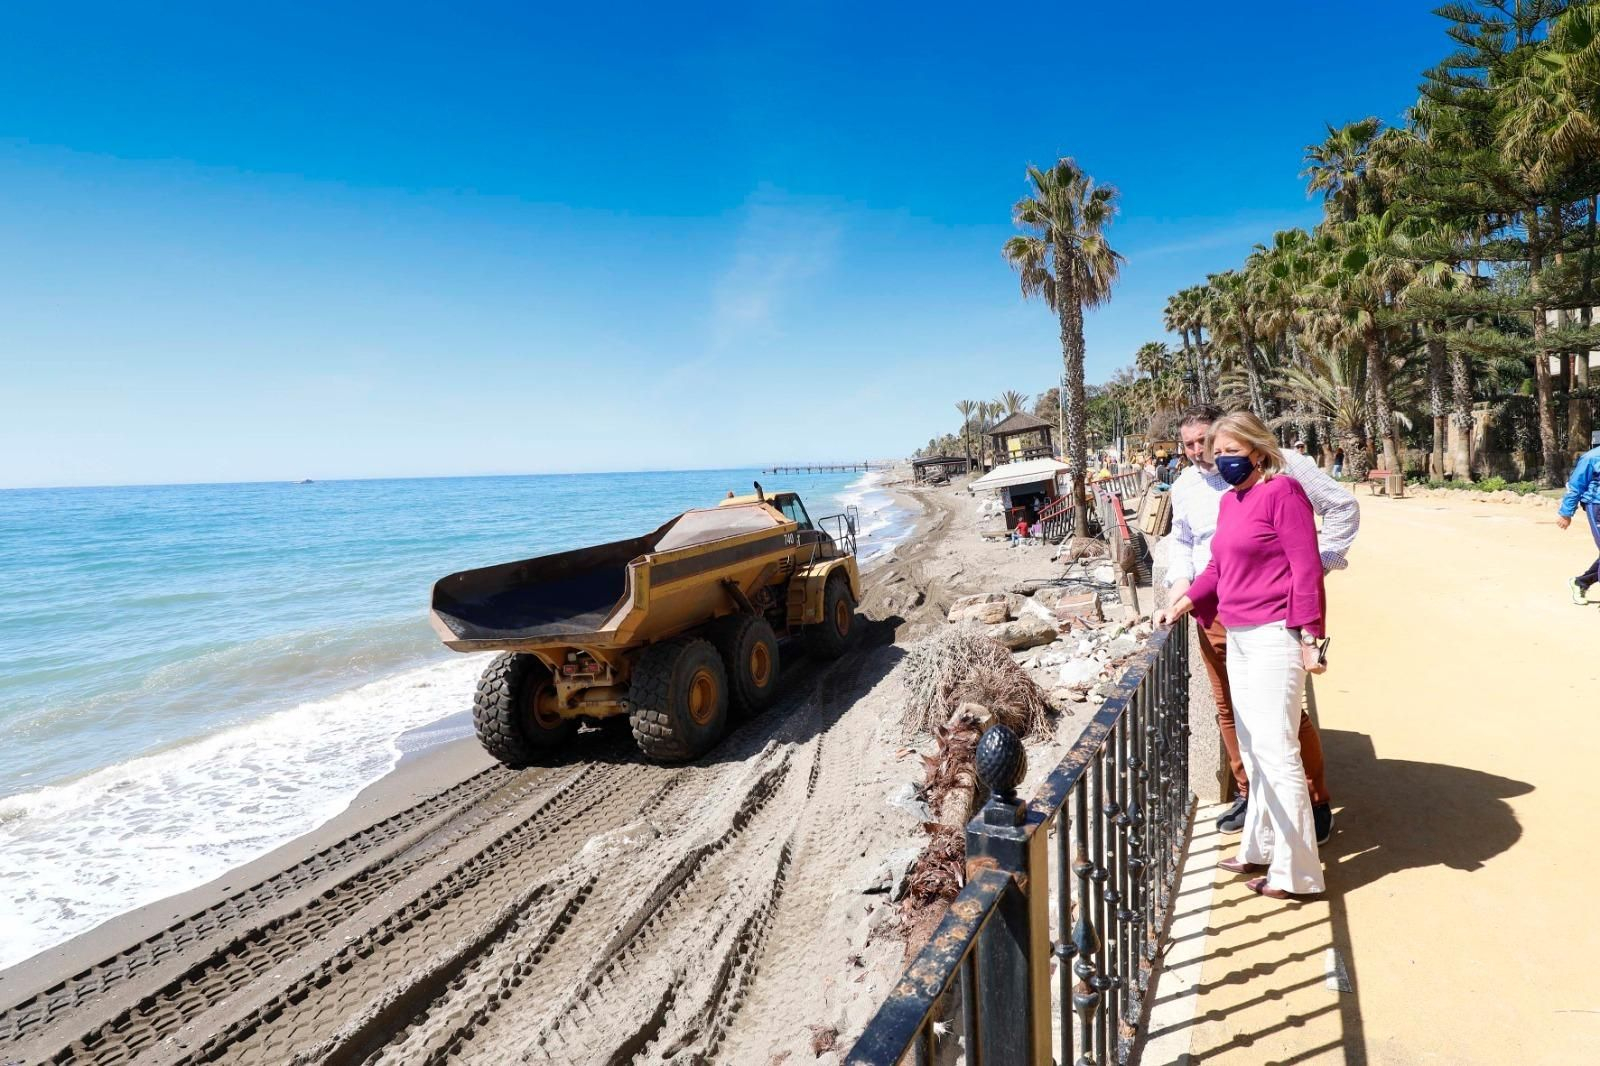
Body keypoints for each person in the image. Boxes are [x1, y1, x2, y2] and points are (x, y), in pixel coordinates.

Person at [1163, 404, 1359, 846]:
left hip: (1268, 616)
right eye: (1191, 445)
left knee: (1284, 718)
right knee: (1231, 711)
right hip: (1213, 612)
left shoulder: (1284, 475)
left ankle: (1313, 801)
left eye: (1206, 442)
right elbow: (1184, 543)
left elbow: (1342, 510)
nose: (1199, 453)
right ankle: (1253, 797)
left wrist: (1314, 565)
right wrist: (1181, 590)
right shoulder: (1189, 488)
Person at [1557, 430, 1600, 604]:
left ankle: (1580, 583)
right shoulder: (1591, 458)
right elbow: (1575, 486)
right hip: (1596, 506)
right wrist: (1566, 513)